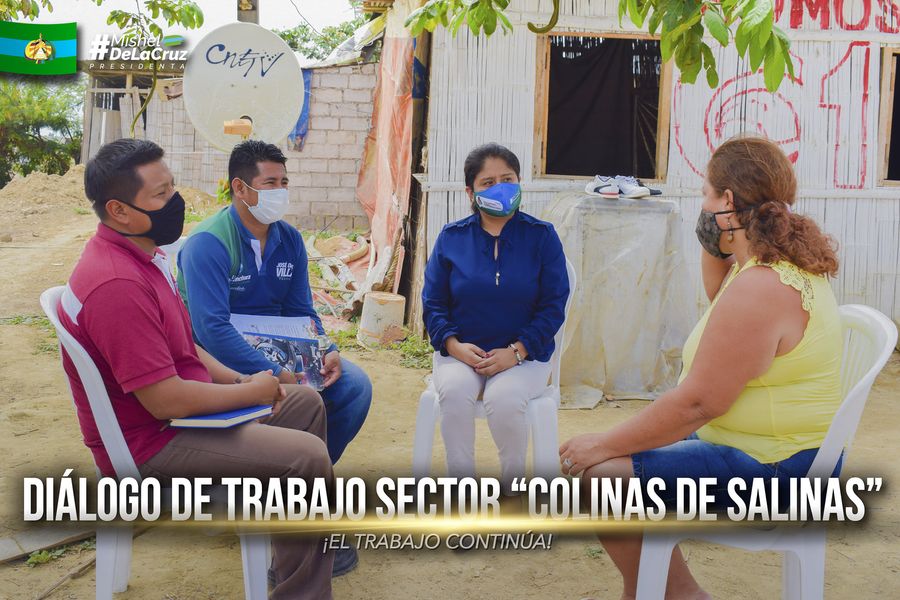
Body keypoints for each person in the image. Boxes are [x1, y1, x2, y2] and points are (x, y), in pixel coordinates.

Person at [560, 136, 843, 600]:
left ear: (727, 201)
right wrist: (722, 233)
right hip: (767, 447)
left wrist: (603, 443)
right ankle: (651, 588)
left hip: (778, 471)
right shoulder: (765, 266)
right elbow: (718, 294)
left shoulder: (761, 288)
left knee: (600, 479)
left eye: (705, 194)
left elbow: (698, 404)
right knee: (619, 456)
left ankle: (681, 595)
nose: (701, 205)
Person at [61, 138, 333, 599]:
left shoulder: (146, 256)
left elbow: (184, 344)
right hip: (152, 444)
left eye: (173, 187)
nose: (176, 201)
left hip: (183, 419)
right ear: (119, 210)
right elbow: (165, 400)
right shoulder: (116, 284)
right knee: (306, 458)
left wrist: (242, 380)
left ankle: (290, 558)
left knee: (305, 402)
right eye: (161, 194)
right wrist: (249, 393)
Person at [176, 140, 371, 575]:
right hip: (222, 363)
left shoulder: (289, 240)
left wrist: (326, 349)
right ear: (240, 188)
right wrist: (272, 372)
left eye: (284, 182)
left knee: (353, 387)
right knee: (305, 397)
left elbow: (302, 310)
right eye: (270, 183)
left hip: (283, 350)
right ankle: (295, 510)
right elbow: (210, 330)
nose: (280, 191)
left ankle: (293, 496)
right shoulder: (209, 243)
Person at [422, 143, 570, 494]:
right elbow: (433, 303)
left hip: (524, 357)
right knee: (454, 391)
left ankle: (512, 489)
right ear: (470, 192)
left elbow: (554, 305)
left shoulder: (542, 237)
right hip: (462, 353)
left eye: (507, 179)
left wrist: (517, 351)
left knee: (504, 399)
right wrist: (454, 346)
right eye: (488, 183)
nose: (500, 188)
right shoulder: (452, 238)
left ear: (519, 182)